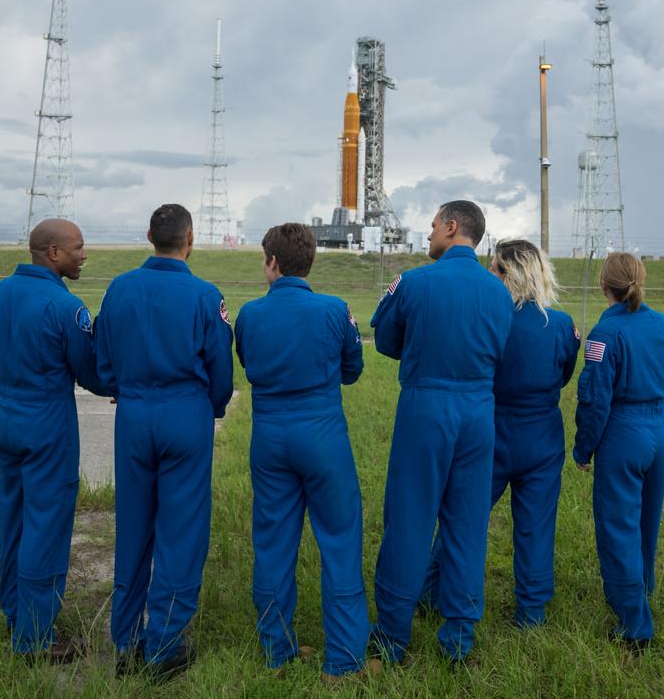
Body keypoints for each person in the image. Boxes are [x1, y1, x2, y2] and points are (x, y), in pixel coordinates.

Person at [368, 200, 514, 663]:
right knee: (468, 522)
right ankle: (459, 636)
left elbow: (388, 339)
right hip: (478, 411)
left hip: (426, 405)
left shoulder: (414, 281)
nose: (428, 234)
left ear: (453, 227)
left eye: (433, 226)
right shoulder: (499, 293)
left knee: (410, 518)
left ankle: (392, 636)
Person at [95, 204, 234, 681]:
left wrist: (123, 390)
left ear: (148, 236)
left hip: (134, 413)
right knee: (181, 529)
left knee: (133, 526)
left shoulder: (118, 288)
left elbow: (102, 357)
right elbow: (221, 371)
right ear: (189, 239)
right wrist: (210, 408)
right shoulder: (204, 294)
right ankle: (166, 646)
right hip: (185, 413)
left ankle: (126, 642)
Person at [233, 223, 377, 682]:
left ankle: (278, 650)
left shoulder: (250, 314)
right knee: (339, 541)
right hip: (322, 434)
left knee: (273, 543)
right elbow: (353, 369)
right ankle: (345, 660)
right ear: (309, 261)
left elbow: (248, 363)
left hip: (270, 435)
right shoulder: (335, 310)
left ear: (273, 262)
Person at [419, 238, 580, 628]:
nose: (488, 273)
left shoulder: (492, 318)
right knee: (537, 525)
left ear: (509, 273)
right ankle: (532, 611)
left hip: (493, 431)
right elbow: (564, 374)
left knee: (463, 518)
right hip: (542, 434)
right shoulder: (561, 325)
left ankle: (431, 593)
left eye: (494, 267)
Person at [0, 218, 112, 662]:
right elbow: (90, 373)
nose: (84, 254)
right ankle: (35, 637)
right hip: (48, 423)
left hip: (6, 417)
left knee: (13, 518)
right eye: (77, 247)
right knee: (46, 525)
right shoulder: (63, 307)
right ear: (53, 253)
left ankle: (15, 613)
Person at [572, 252, 664, 652]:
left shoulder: (605, 334)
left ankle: (635, 625)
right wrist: (652, 412)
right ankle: (640, 591)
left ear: (604, 285)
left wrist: (584, 448)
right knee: (646, 523)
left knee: (618, 526)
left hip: (623, 431)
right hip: (658, 429)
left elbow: (595, 398)